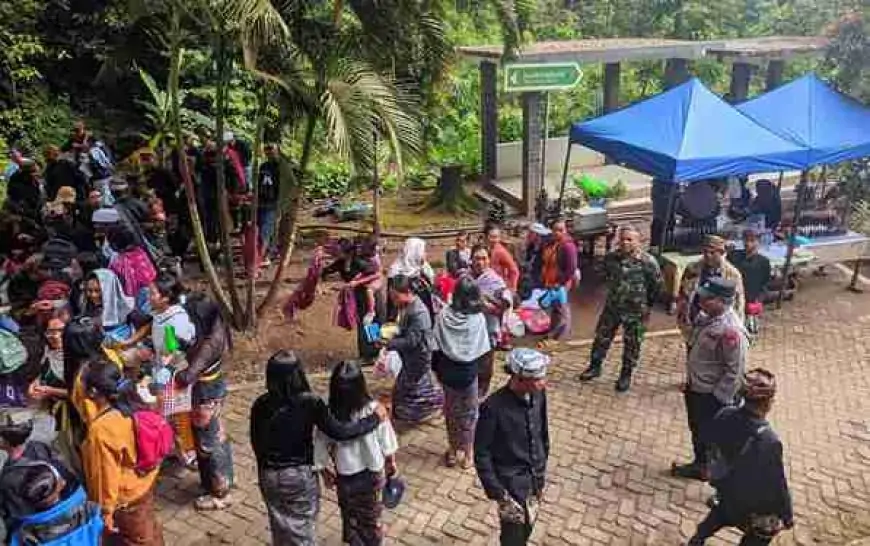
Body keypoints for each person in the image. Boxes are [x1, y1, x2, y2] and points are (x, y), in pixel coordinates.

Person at [250, 351, 385, 545]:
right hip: (297, 476)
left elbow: (257, 443)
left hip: (268, 475)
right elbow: (341, 432)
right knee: (302, 529)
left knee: (280, 526)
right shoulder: (310, 403)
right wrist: (374, 419)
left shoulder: (260, 404)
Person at [687, 369, 793, 545]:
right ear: (768, 403)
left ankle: (697, 540)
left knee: (715, 518)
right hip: (751, 506)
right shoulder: (769, 440)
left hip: (726, 492)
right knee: (765, 529)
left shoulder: (725, 414)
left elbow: (708, 442)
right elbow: (777, 484)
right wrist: (787, 516)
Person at [314, 360, 399, 546]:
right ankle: (373, 539)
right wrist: (391, 461)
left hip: (346, 477)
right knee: (371, 513)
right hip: (372, 476)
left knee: (350, 513)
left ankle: (355, 539)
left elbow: (319, 443)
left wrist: (323, 471)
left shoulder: (329, 414)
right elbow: (387, 442)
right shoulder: (374, 409)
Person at [673, 277, 749, 481]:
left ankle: (717, 477)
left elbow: (735, 370)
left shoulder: (731, 331)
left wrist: (719, 399)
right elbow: (692, 340)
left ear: (722, 301)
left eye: (708, 298)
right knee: (698, 430)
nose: (702, 301)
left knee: (713, 438)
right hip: (696, 388)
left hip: (711, 396)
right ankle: (701, 466)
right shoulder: (706, 318)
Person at [80, 361, 163, 545]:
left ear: (93, 392)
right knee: (147, 529)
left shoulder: (102, 429)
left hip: (126, 497)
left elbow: (104, 477)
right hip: (144, 482)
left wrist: (106, 512)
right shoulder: (137, 400)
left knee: (138, 538)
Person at [474, 348, 550, 546]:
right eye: (538, 379)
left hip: (534, 480)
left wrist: (541, 470)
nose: (544, 383)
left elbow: (542, 432)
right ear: (520, 379)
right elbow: (482, 454)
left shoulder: (538, 395)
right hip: (510, 488)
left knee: (528, 526)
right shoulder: (492, 408)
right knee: (512, 539)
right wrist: (499, 493)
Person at [580, 226, 663, 392]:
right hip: (613, 307)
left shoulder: (648, 262)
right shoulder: (611, 258)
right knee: (602, 338)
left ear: (638, 242)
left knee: (632, 344)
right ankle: (595, 367)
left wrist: (646, 306)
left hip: (636, 311)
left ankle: (626, 375)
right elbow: (604, 275)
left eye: (629, 239)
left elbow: (656, 286)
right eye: (623, 239)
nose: (625, 243)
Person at [176, 293, 234, 511]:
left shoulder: (209, 345)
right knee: (215, 435)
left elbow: (187, 376)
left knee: (209, 443)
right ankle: (219, 480)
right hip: (210, 388)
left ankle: (220, 493)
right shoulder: (213, 327)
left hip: (205, 392)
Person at [433, 277, 491, 468]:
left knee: (451, 413)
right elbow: (484, 353)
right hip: (469, 375)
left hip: (447, 374)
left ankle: (452, 449)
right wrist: (484, 380)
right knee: (470, 414)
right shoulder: (478, 319)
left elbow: (435, 347)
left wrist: (437, 372)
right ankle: (467, 453)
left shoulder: (443, 315)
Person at [0, 410, 79, 539]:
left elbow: (20, 517)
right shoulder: (39, 446)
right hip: (66, 517)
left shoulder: (9, 478)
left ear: (4, 441)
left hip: (42, 529)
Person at [386, 275, 442, 425]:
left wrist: (388, 343)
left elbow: (412, 341)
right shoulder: (405, 307)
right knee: (415, 384)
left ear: (408, 292)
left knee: (403, 388)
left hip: (418, 357)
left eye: (395, 296)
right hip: (412, 357)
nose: (393, 300)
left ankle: (426, 410)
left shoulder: (419, 313)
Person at [322, 238, 384, 361]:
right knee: (362, 323)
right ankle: (365, 354)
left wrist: (356, 282)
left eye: (338, 250)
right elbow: (327, 270)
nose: (335, 252)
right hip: (358, 296)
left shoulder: (359, 262)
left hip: (370, 294)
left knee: (371, 323)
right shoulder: (341, 263)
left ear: (347, 252)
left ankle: (374, 353)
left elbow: (376, 274)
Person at [677, 235, 745, 345]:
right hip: (695, 324)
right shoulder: (693, 269)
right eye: (705, 252)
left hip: (719, 328)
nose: (708, 256)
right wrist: (682, 319)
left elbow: (738, 304)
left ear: (721, 253)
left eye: (712, 253)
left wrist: (736, 330)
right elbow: (683, 295)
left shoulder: (732, 274)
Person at [470, 245, 511, 397]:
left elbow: (503, 306)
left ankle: (482, 389)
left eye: (484, 258)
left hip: (488, 328)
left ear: (489, 261)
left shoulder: (495, 282)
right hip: (470, 327)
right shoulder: (467, 278)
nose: (480, 262)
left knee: (485, 362)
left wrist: (486, 304)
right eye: (477, 258)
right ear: (471, 260)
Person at [538, 220, 577, 348]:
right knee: (555, 307)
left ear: (566, 231)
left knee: (562, 308)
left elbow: (571, 268)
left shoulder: (568, 246)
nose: (557, 233)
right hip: (551, 280)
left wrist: (560, 283)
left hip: (562, 282)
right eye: (555, 230)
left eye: (561, 230)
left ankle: (560, 336)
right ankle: (553, 330)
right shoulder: (553, 243)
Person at [83, 269, 137, 344]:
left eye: (97, 290)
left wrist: (130, 341)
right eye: (90, 290)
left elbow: (146, 325)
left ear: (108, 290)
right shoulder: (89, 306)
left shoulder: (126, 307)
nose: (93, 295)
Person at [387, 237, 435, 319]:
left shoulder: (422, 268)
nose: (425, 254)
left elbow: (431, 285)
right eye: (422, 251)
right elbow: (394, 302)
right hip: (406, 320)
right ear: (414, 252)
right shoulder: (396, 275)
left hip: (425, 317)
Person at [729, 229, 771, 310]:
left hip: (751, 301)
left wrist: (759, 300)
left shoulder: (763, 262)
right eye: (745, 240)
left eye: (752, 240)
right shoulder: (733, 256)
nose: (748, 243)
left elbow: (765, 283)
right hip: (734, 298)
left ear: (758, 242)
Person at [257, 144, 283, 263]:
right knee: (265, 228)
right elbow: (260, 183)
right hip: (262, 201)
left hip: (274, 202)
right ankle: (270, 251)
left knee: (266, 230)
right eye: (267, 153)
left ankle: (264, 256)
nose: (269, 155)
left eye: (272, 152)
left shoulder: (282, 167)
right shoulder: (264, 166)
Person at [485, 225, 519, 292]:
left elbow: (514, 270)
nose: (494, 240)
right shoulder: (488, 249)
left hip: (499, 286)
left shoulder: (500, 251)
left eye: (496, 237)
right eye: (491, 237)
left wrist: (512, 288)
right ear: (486, 237)